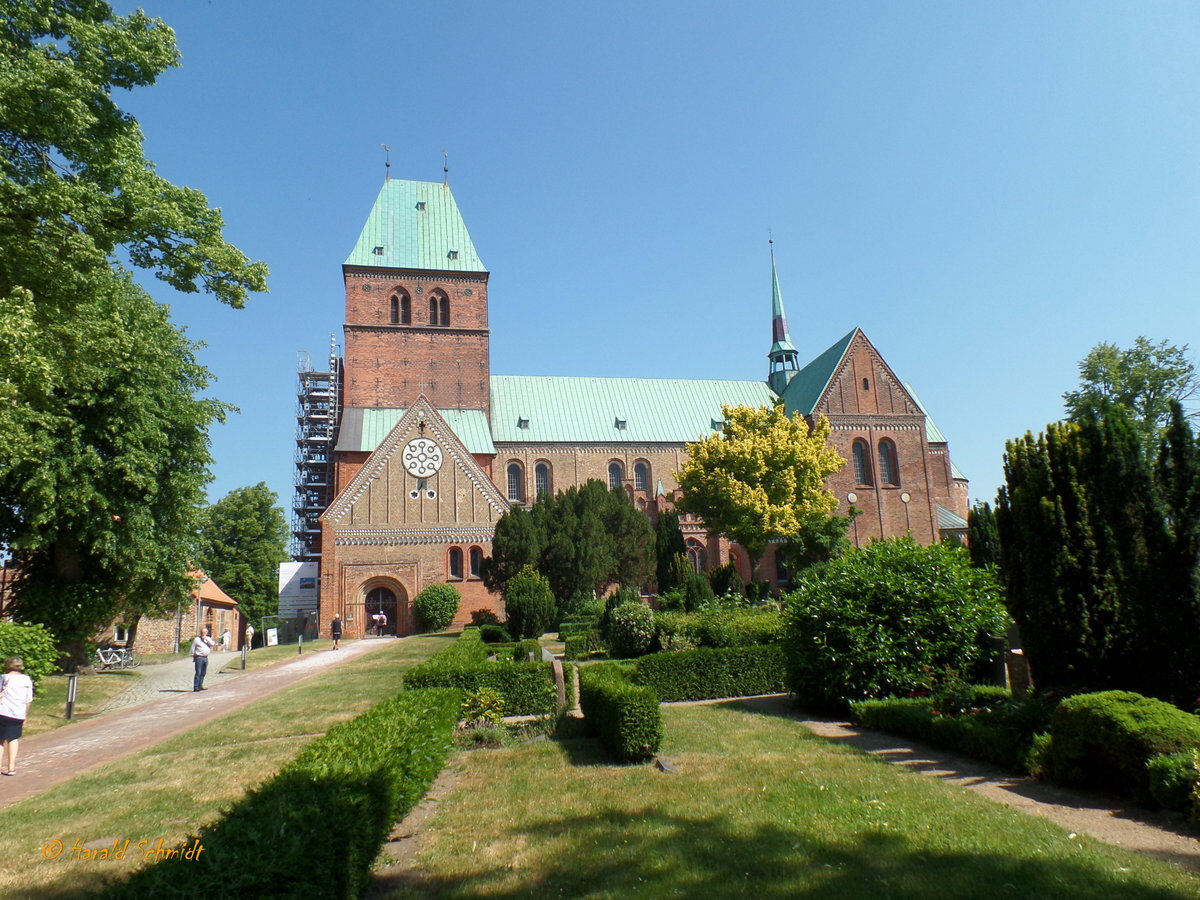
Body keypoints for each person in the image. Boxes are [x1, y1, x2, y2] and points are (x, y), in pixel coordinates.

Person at [0, 657, 35, 776]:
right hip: (18, 713)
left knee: (0, 741)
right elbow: (28, 699)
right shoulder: (26, 680)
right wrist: (26, 715)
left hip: (2, 711)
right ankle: (11, 767)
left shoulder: (3, 677)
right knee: (13, 739)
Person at [191, 626, 216, 692]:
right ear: (200, 632)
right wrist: (193, 656)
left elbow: (212, 644)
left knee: (203, 672)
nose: (203, 633)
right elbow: (193, 648)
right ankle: (196, 687)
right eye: (202, 632)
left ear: (207, 632)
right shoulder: (197, 639)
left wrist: (206, 639)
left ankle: (200, 685)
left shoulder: (208, 638)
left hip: (205, 657)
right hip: (199, 657)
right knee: (198, 672)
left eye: (205, 632)